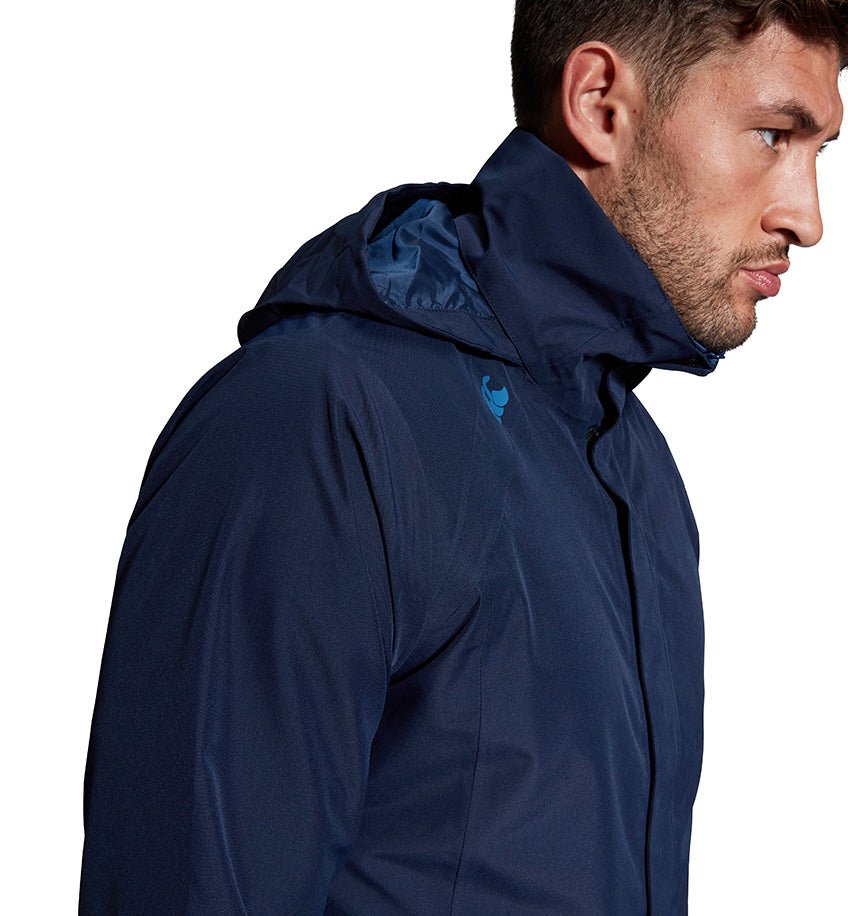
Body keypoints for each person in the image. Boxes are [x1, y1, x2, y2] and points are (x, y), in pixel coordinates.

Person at [80, 1, 845, 913]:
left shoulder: (635, 467)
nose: (807, 217)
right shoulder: (316, 423)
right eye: (772, 135)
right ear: (599, 102)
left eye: (818, 152)